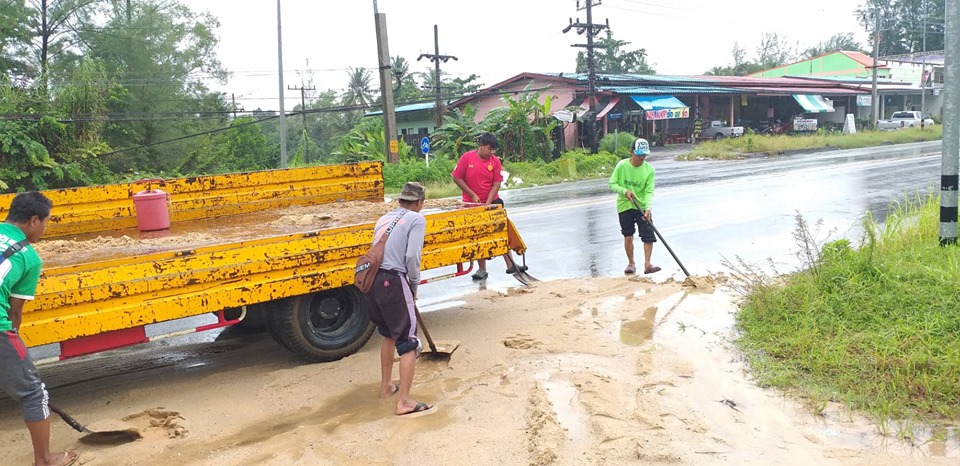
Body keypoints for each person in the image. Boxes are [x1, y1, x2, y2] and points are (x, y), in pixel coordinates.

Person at [0, 191, 78, 466]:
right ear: (34, 220)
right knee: (34, 393)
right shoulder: (29, 257)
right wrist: (14, 342)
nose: (45, 229)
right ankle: (45, 460)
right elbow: (14, 311)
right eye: (46, 222)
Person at [365, 182, 434, 416]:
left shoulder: (383, 219)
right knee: (408, 341)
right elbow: (412, 256)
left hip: (372, 281)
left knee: (388, 335)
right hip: (392, 280)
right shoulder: (417, 219)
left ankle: (386, 387)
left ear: (400, 200)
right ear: (419, 203)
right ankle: (403, 401)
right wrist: (413, 285)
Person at [451, 132, 527, 280]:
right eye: (489, 149)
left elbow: (496, 183)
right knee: (479, 235)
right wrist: (472, 194)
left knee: (500, 232)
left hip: (492, 201)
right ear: (481, 146)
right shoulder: (467, 158)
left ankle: (510, 264)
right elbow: (456, 177)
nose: (491, 152)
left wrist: (489, 202)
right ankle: (482, 269)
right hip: (471, 203)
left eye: (493, 150)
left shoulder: (495, 161)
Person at [608, 138, 661, 275]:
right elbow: (612, 184)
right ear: (631, 152)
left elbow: (649, 191)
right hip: (625, 205)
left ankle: (648, 265)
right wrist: (625, 191)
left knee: (648, 235)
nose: (641, 158)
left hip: (642, 205)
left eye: (644, 155)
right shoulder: (622, 166)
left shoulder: (650, 170)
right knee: (628, 235)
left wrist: (648, 207)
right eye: (638, 155)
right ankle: (631, 263)